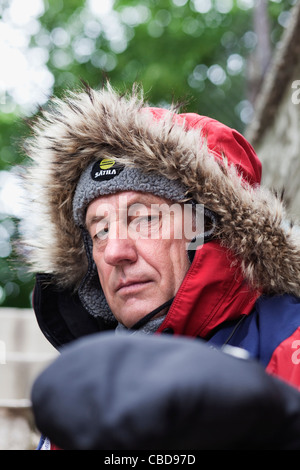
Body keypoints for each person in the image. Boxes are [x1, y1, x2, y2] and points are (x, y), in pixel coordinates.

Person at [21, 83, 300, 450]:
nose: (114, 251)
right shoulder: (90, 391)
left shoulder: (290, 343)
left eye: (144, 218)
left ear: (209, 227)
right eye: (100, 230)